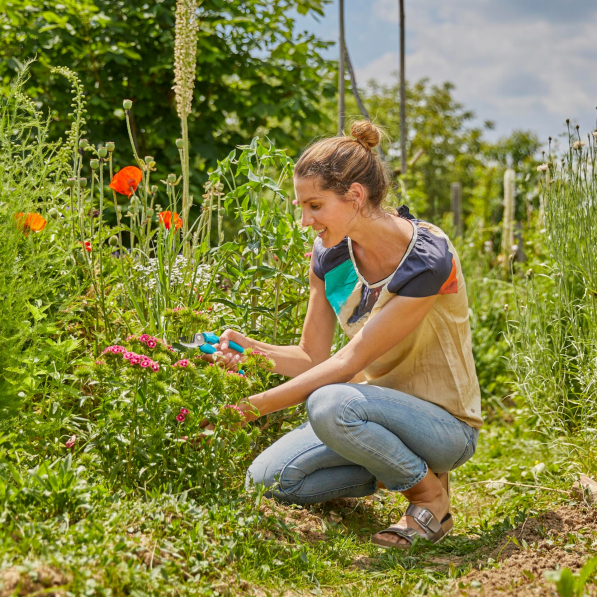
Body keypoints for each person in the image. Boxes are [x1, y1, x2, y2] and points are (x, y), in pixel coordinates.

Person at [211, 121, 482, 548]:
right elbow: (311, 356)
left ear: (355, 195)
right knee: (266, 481)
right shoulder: (330, 257)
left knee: (328, 401)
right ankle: (394, 464)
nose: (305, 221)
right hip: (366, 416)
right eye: (302, 206)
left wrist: (249, 407)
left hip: (443, 425)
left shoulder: (427, 258)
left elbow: (347, 363)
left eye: (315, 206)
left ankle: (430, 498)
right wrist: (251, 350)